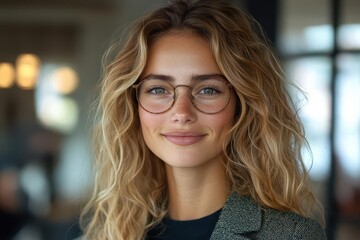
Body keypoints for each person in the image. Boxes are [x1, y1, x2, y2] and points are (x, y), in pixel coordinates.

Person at [80, 0, 326, 239]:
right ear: (134, 106)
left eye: (208, 90)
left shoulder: (292, 236)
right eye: (158, 89)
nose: (182, 113)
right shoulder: (105, 235)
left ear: (241, 105)